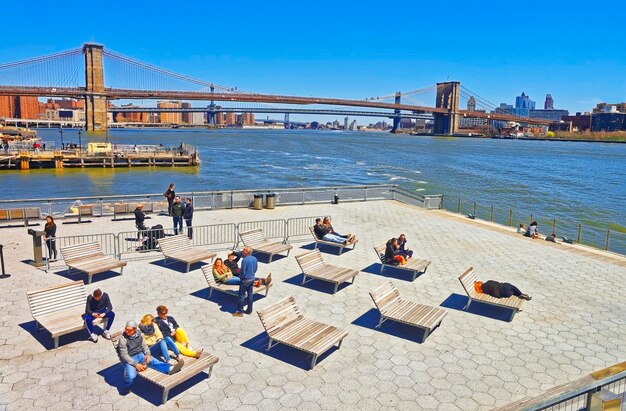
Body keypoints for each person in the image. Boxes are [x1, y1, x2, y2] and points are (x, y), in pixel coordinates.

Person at [117, 320, 184, 395]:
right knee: (131, 376)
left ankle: (170, 369)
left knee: (154, 361)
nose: (126, 331)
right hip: (130, 358)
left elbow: (144, 346)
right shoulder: (123, 339)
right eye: (126, 329)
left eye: (129, 330)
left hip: (141, 355)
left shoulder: (140, 335)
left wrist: (148, 354)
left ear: (135, 329)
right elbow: (124, 355)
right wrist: (135, 364)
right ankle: (127, 387)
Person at [233, 247, 272, 317]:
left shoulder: (244, 260)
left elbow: (242, 271)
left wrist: (241, 278)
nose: (242, 251)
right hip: (252, 279)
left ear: (246, 252)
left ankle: (240, 312)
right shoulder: (254, 258)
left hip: (245, 280)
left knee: (241, 296)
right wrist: (252, 275)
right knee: (250, 295)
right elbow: (255, 269)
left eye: (243, 250)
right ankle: (249, 310)